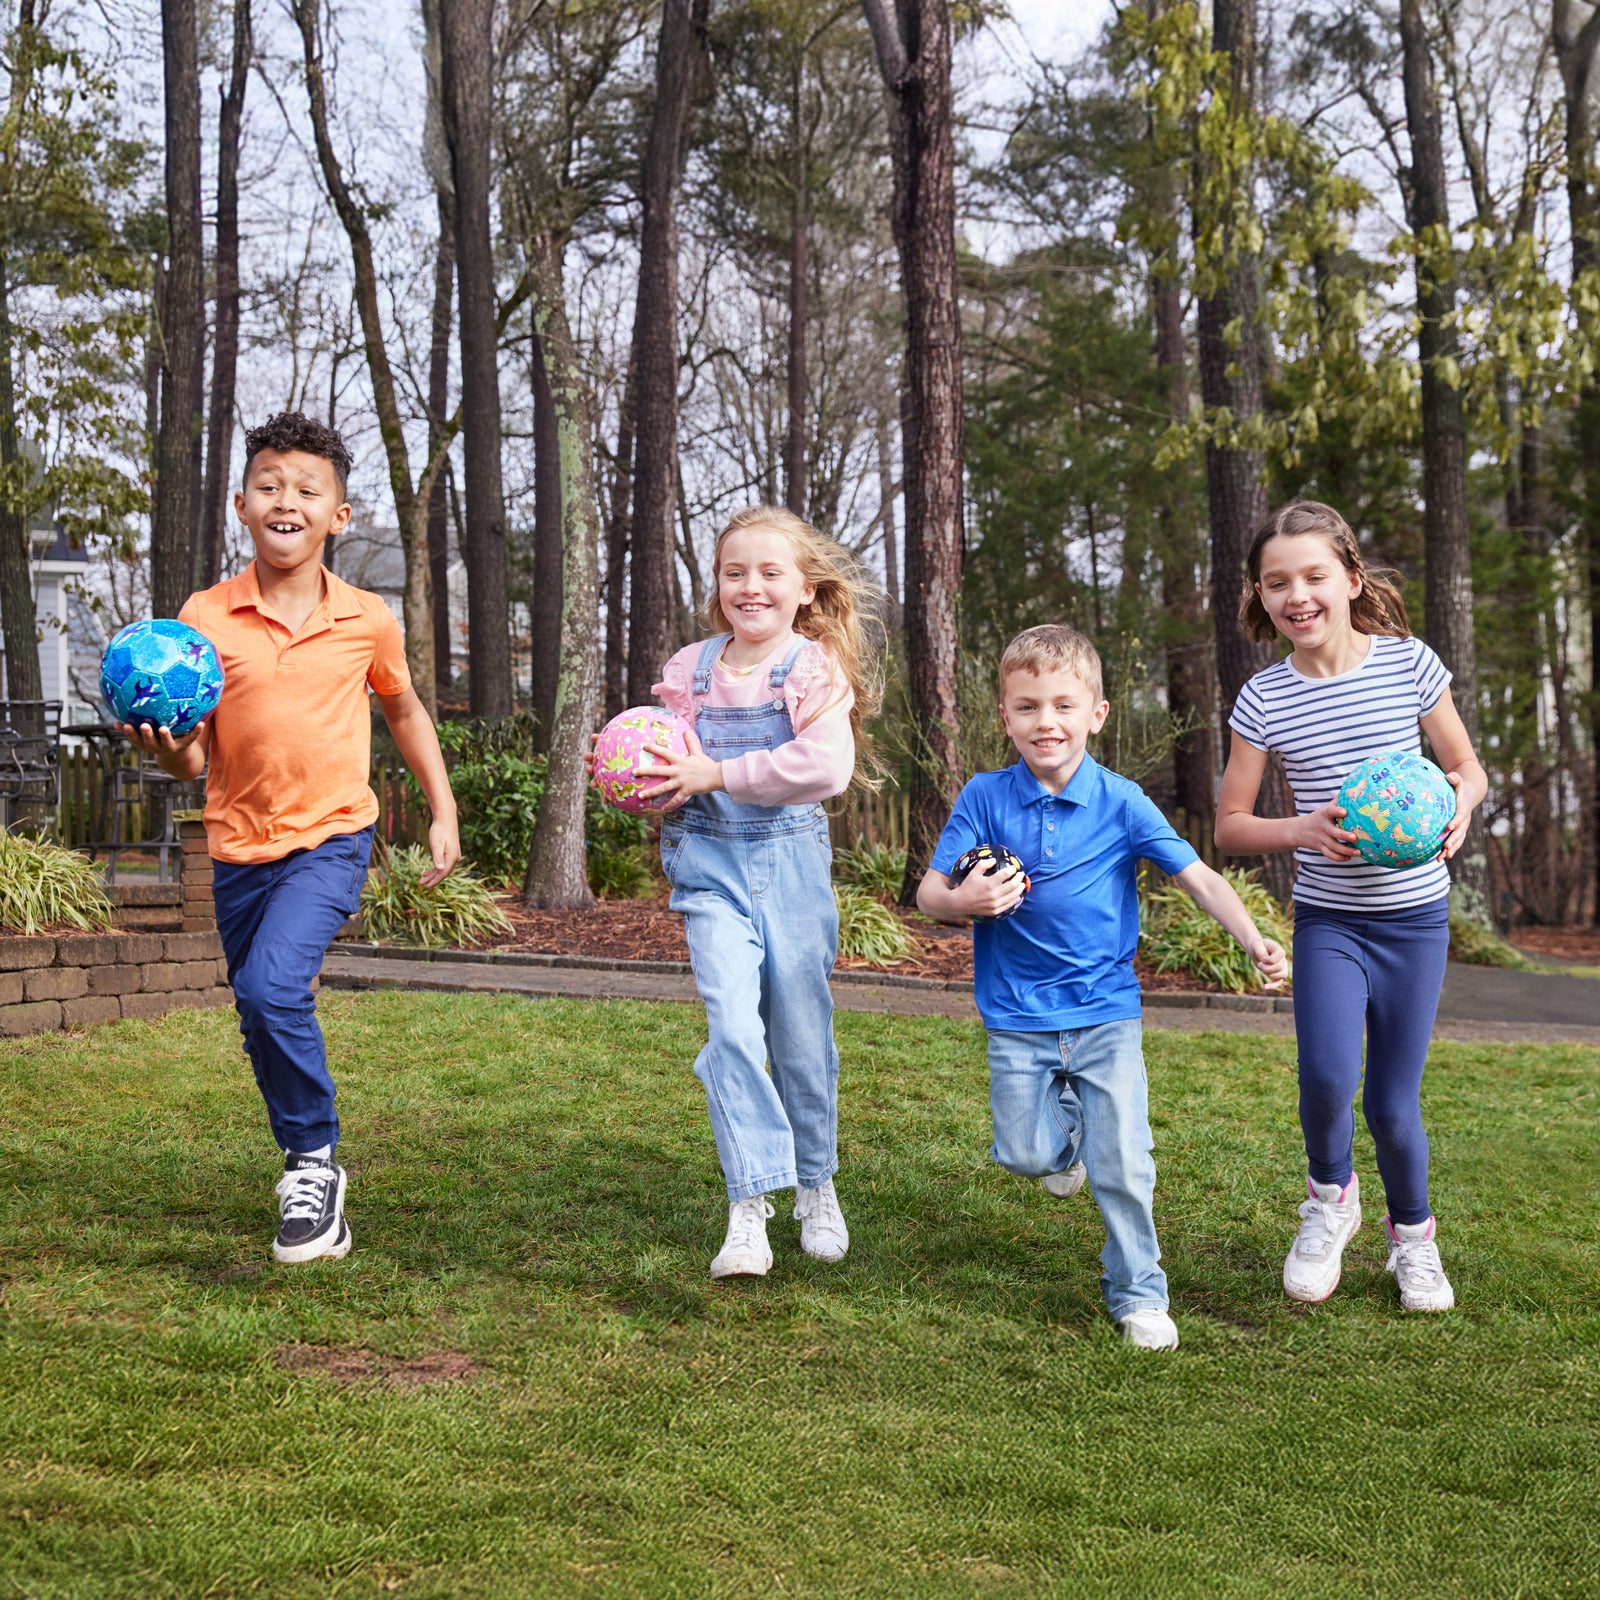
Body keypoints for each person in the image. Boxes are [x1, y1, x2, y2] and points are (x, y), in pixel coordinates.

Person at [120, 412, 460, 1265]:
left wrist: (441, 809)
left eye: (308, 490)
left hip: (332, 836)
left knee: (274, 987)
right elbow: (195, 761)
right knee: (256, 1006)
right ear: (241, 504)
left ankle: (314, 1162)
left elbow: (405, 709)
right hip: (237, 843)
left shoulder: (367, 619)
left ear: (338, 517)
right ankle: (302, 1160)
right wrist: (164, 750)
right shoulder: (204, 617)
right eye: (270, 485)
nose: (287, 500)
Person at [917, 624, 1288, 1350]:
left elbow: (1200, 877)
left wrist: (1252, 938)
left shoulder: (1123, 802)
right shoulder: (986, 796)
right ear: (1005, 717)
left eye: (1062, 705)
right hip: (1016, 1015)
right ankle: (1068, 1141)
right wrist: (965, 903)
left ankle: (1140, 1294)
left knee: (1125, 1164)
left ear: (1096, 714)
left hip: (1104, 1011)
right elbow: (931, 893)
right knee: (1024, 1156)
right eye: (1027, 707)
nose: (1044, 722)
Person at [1215, 500, 1486, 1314]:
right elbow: (1230, 825)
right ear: (1260, 597)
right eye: (1276, 583)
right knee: (1329, 1080)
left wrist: (1460, 808)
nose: (1296, 595)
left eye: (1313, 576)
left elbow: (1465, 765)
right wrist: (1298, 826)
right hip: (1330, 920)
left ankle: (1415, 1241)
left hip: (1414, 920)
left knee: (1391, 1103)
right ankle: (1330, 1203)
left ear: (1351, 580)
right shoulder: (1263, 699)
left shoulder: (1408, 665)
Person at [620, 505, 881, 1280]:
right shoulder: (689, 670)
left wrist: (718, 773)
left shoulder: (811, 668)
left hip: (792, 870)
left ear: (805, 589)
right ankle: (748, 1205)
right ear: (717, 585)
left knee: (800, 1038)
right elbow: (667, 760)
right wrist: (641, 777)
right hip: (709, 871)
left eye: (770, 573)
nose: (751, 586)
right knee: (732, 1029)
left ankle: (816, 1182)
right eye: (735, 572)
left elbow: (825, 769)